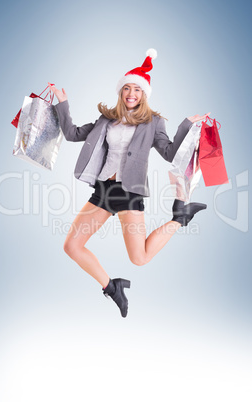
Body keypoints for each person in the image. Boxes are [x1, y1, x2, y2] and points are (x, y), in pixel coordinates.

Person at [48, 49, 209, 318]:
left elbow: (169, 153)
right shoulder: (107, 119)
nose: (131, 93)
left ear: (144, 94)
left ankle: (180, 217)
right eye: (127, 88)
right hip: (103, 190)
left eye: (137, 89)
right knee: (72, 246)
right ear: (121, 92)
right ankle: (112, 287)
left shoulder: (152, 123)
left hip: (128, 193)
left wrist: (186, 126)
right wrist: (62, 103)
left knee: (140, 258)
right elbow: (72, 134)